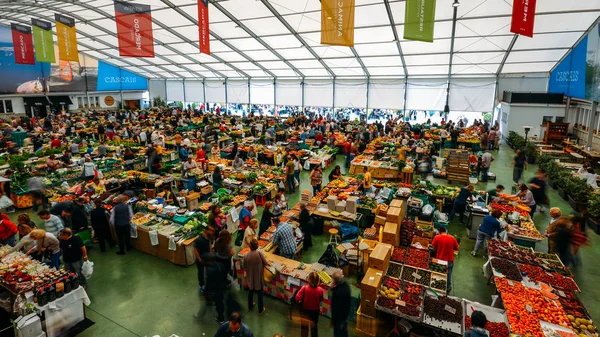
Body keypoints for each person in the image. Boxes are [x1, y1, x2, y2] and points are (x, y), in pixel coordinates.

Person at [243, 239, 269, 314]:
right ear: (257, 246)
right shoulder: (259, 254)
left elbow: (244, 265)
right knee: (260, 294)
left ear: (250, 246)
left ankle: (250, 306)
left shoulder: (246, 255)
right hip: (258, 278)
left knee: (250, 292)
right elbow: (266, 263)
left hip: (250, 277)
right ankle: (260, 310)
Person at [431, 226, 460, 292]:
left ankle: (437, 286)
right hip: (449, 260)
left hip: (440, 260)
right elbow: (457, 248)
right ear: (445, 231)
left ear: (439, 232)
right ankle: (447, 288)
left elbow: (433, 247)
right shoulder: (452, 238)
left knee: (438, 272)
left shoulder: (437, 237)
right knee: (448, 273)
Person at [295, 272, 324, 337]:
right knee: (314, 327)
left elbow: (297, 298)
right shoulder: (320, 290)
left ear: (309, 280)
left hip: (304, 311)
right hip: (315, 312)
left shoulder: (304, 288)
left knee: (304, 328)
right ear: (318, 281)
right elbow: (321, 299)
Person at [194, 225, 214, 293]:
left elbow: (210, 245)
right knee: (201, 272)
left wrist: (211, 253)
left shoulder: (208, 237)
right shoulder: (199, 239)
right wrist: (199, 259)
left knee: (208, 270)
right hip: (201, 258)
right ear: (206, 230)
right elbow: (195, 250)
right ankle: (201, 285)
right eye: (211, 230)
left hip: (207, 257)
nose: (212, 232)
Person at [330, 272, 351, 337]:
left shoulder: (337, 293)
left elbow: (335, 308)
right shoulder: (346, 285)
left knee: (337, 333)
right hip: (345, 315)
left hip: (338, 318)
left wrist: (333, 320)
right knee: (344, 333)